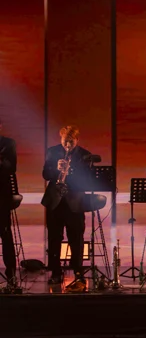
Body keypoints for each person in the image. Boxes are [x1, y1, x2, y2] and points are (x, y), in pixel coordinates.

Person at [41, 125, 93, 291]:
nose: (68, 145)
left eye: (71, 142)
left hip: (75, 201)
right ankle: (55, 272)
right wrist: (56, 169)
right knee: (54, 238)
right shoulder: (52, 152)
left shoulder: (85, 155)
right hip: (55, 201)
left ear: (77, 140)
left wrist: (72, 171)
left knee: (76, 239)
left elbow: (88, 180)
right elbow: (45, 174)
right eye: (65, 142)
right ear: (61, 139)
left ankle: (78, 272)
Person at [0, 119, 18, 286]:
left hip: (2, 196)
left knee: (5, 233)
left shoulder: (8, 144)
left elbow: (11, 167)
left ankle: (11, 272)